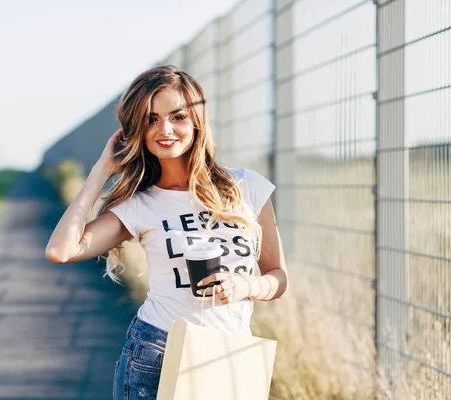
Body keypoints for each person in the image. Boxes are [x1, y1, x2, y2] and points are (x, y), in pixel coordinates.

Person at [45, 65, 288, 400]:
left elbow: (278, 277)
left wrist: (246, 285)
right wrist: (102, 170)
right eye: (151, 119)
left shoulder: (246, 187)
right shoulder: (140, 205)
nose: (165, 129)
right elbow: (61, 250)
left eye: (177, 117)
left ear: (196, 122)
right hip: (158, 353)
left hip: (231, 351)